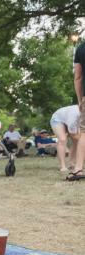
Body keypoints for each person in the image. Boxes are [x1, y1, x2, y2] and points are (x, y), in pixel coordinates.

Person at [67, 41, 85, 181]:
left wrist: (80, 100)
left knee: (84, 134)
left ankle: (78, 169)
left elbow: (77, 78)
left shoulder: (81, 48)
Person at [50, 105, 80, 171]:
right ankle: (62, 166)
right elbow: (73, 133)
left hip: (70, 121)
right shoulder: (74, 113)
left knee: (77, 142)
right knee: (62, 139)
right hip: (58, 119)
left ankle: (72, 164)